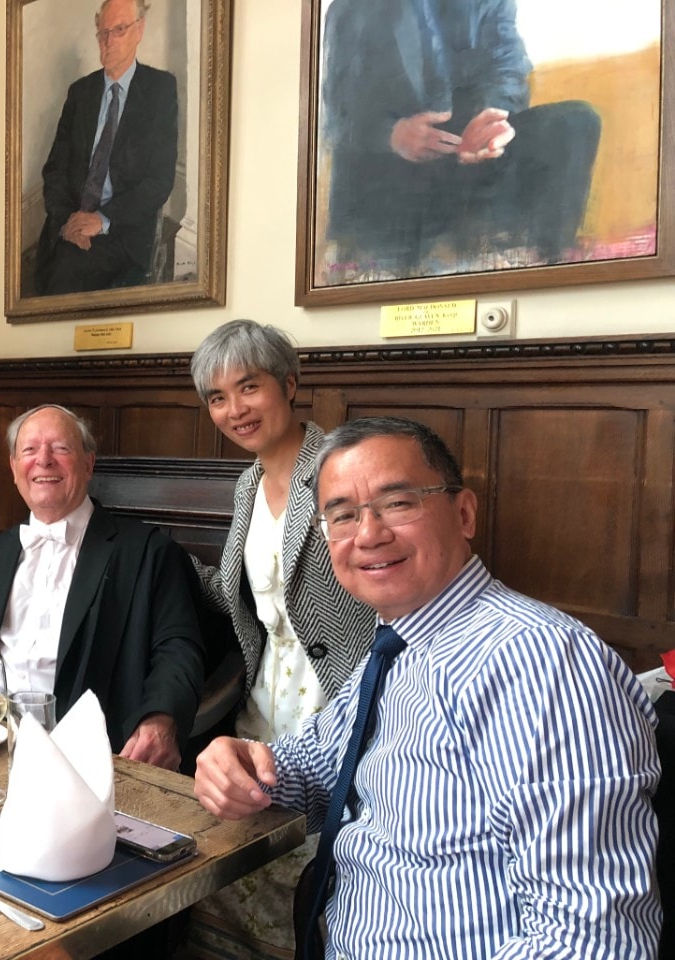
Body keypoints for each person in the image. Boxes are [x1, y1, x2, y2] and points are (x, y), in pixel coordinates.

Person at [195, 417, 662, 958]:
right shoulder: (401, 638)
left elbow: (590, 938)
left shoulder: (543, 665)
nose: (368, 534)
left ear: (463, 514)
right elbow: (325, 765)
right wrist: (249, 768)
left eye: (398, 503)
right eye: (342, 515)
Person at [185, 320, 374, 957]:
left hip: (338, 693)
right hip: (263, 693)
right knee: (243, 849)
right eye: (216, 397)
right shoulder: (246, 484)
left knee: (316, 864)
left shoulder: (342, 467)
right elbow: (249, 596)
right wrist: (165, 566)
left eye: (249, 386)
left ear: (289, 384)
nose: (234, 409)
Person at [0, 404, 203, 770]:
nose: (44, 460)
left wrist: (161, 718)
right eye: (29, 450)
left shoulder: (147, 552)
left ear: (88, 464)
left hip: (92, 760)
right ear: (13, 468)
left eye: (61, 448)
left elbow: (179, 648)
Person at [322, 0, 601, 274]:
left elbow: (509, 68)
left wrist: (492, 120)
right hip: (393, 172)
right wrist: (393, 135)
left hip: (468, 160)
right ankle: (386, 268)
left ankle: (547, 265)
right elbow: (336, 116)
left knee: (576, 121)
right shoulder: (351, 7)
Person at [33, 0, 178, 296]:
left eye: (120, 30)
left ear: (139, 31)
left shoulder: (159, 91)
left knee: (66, 281)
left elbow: (159, 181)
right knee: (53, 275)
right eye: (102, 33)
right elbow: (55, 169)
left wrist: (101, 219)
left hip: (122, 228)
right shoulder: (80, 93)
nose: (109, 42)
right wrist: (66, 223)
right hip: (70, 224)